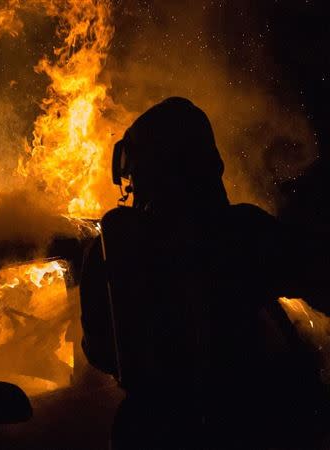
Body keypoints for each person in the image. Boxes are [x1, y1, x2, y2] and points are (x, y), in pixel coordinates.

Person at [79, 97, 330, 448]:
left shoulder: (113, 249)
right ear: (209, 163)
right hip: (241, 422)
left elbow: (100, 351)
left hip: (152, 430)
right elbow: (317, 278)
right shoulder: (244, 231)